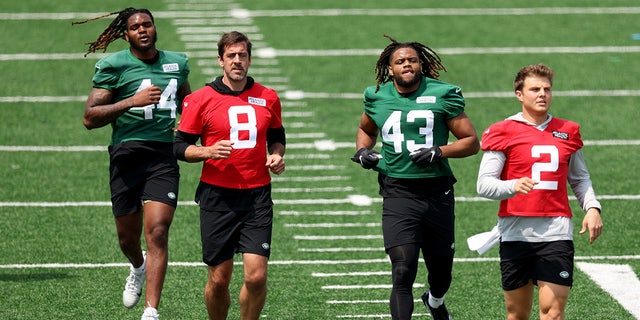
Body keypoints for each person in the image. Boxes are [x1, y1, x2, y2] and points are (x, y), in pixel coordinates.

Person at [352, 35, 480, 320]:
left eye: (412, 59)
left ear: (421, 64)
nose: (406, 64)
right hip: (397, 192)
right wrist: (362, 151)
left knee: (441, 273)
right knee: (402, 268)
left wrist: (440, 151)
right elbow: (366, 129)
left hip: (437, 194)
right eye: (400, 61)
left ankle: (434, 300)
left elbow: (471, 141)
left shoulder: (443, 94)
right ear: (390, 69)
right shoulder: (377, 96)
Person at [76, 8, 191, 320]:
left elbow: (187, 103)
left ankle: (151, 311)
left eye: (147, 24)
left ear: (155, 28)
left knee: (157, 231)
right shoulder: (114, 66)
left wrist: (188, 126)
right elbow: (89, 118)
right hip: (126, 155)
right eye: (136, 26)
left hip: (162, 156)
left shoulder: (177, 63)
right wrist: (130, 101)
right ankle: (138, 265)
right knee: (128, 238)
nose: (143, 30)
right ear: (125, 35)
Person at [476, 63, 603, 320]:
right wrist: (512, 185)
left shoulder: (568, 131)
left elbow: (579, 178)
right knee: (517, 314)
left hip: (556, 232)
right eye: (535, 89)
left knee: (553, 313)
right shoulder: (502, 131)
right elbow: (484, 185)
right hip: (515, 233)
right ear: (519, 94)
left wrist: (592, 207)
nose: (542, 94)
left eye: (547, 88)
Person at [173, 31, 286, 320]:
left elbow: (277, 136)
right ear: (220, 60)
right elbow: (179, 147)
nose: (237, 61)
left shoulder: (268, 97)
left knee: (257, 277)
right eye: (231, 56)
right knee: (219, 279)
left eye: (242, 55)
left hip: (257, 196)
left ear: (249, 59)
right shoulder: (200, 99)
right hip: (217, 196)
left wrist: (276, 154)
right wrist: (207, 151)